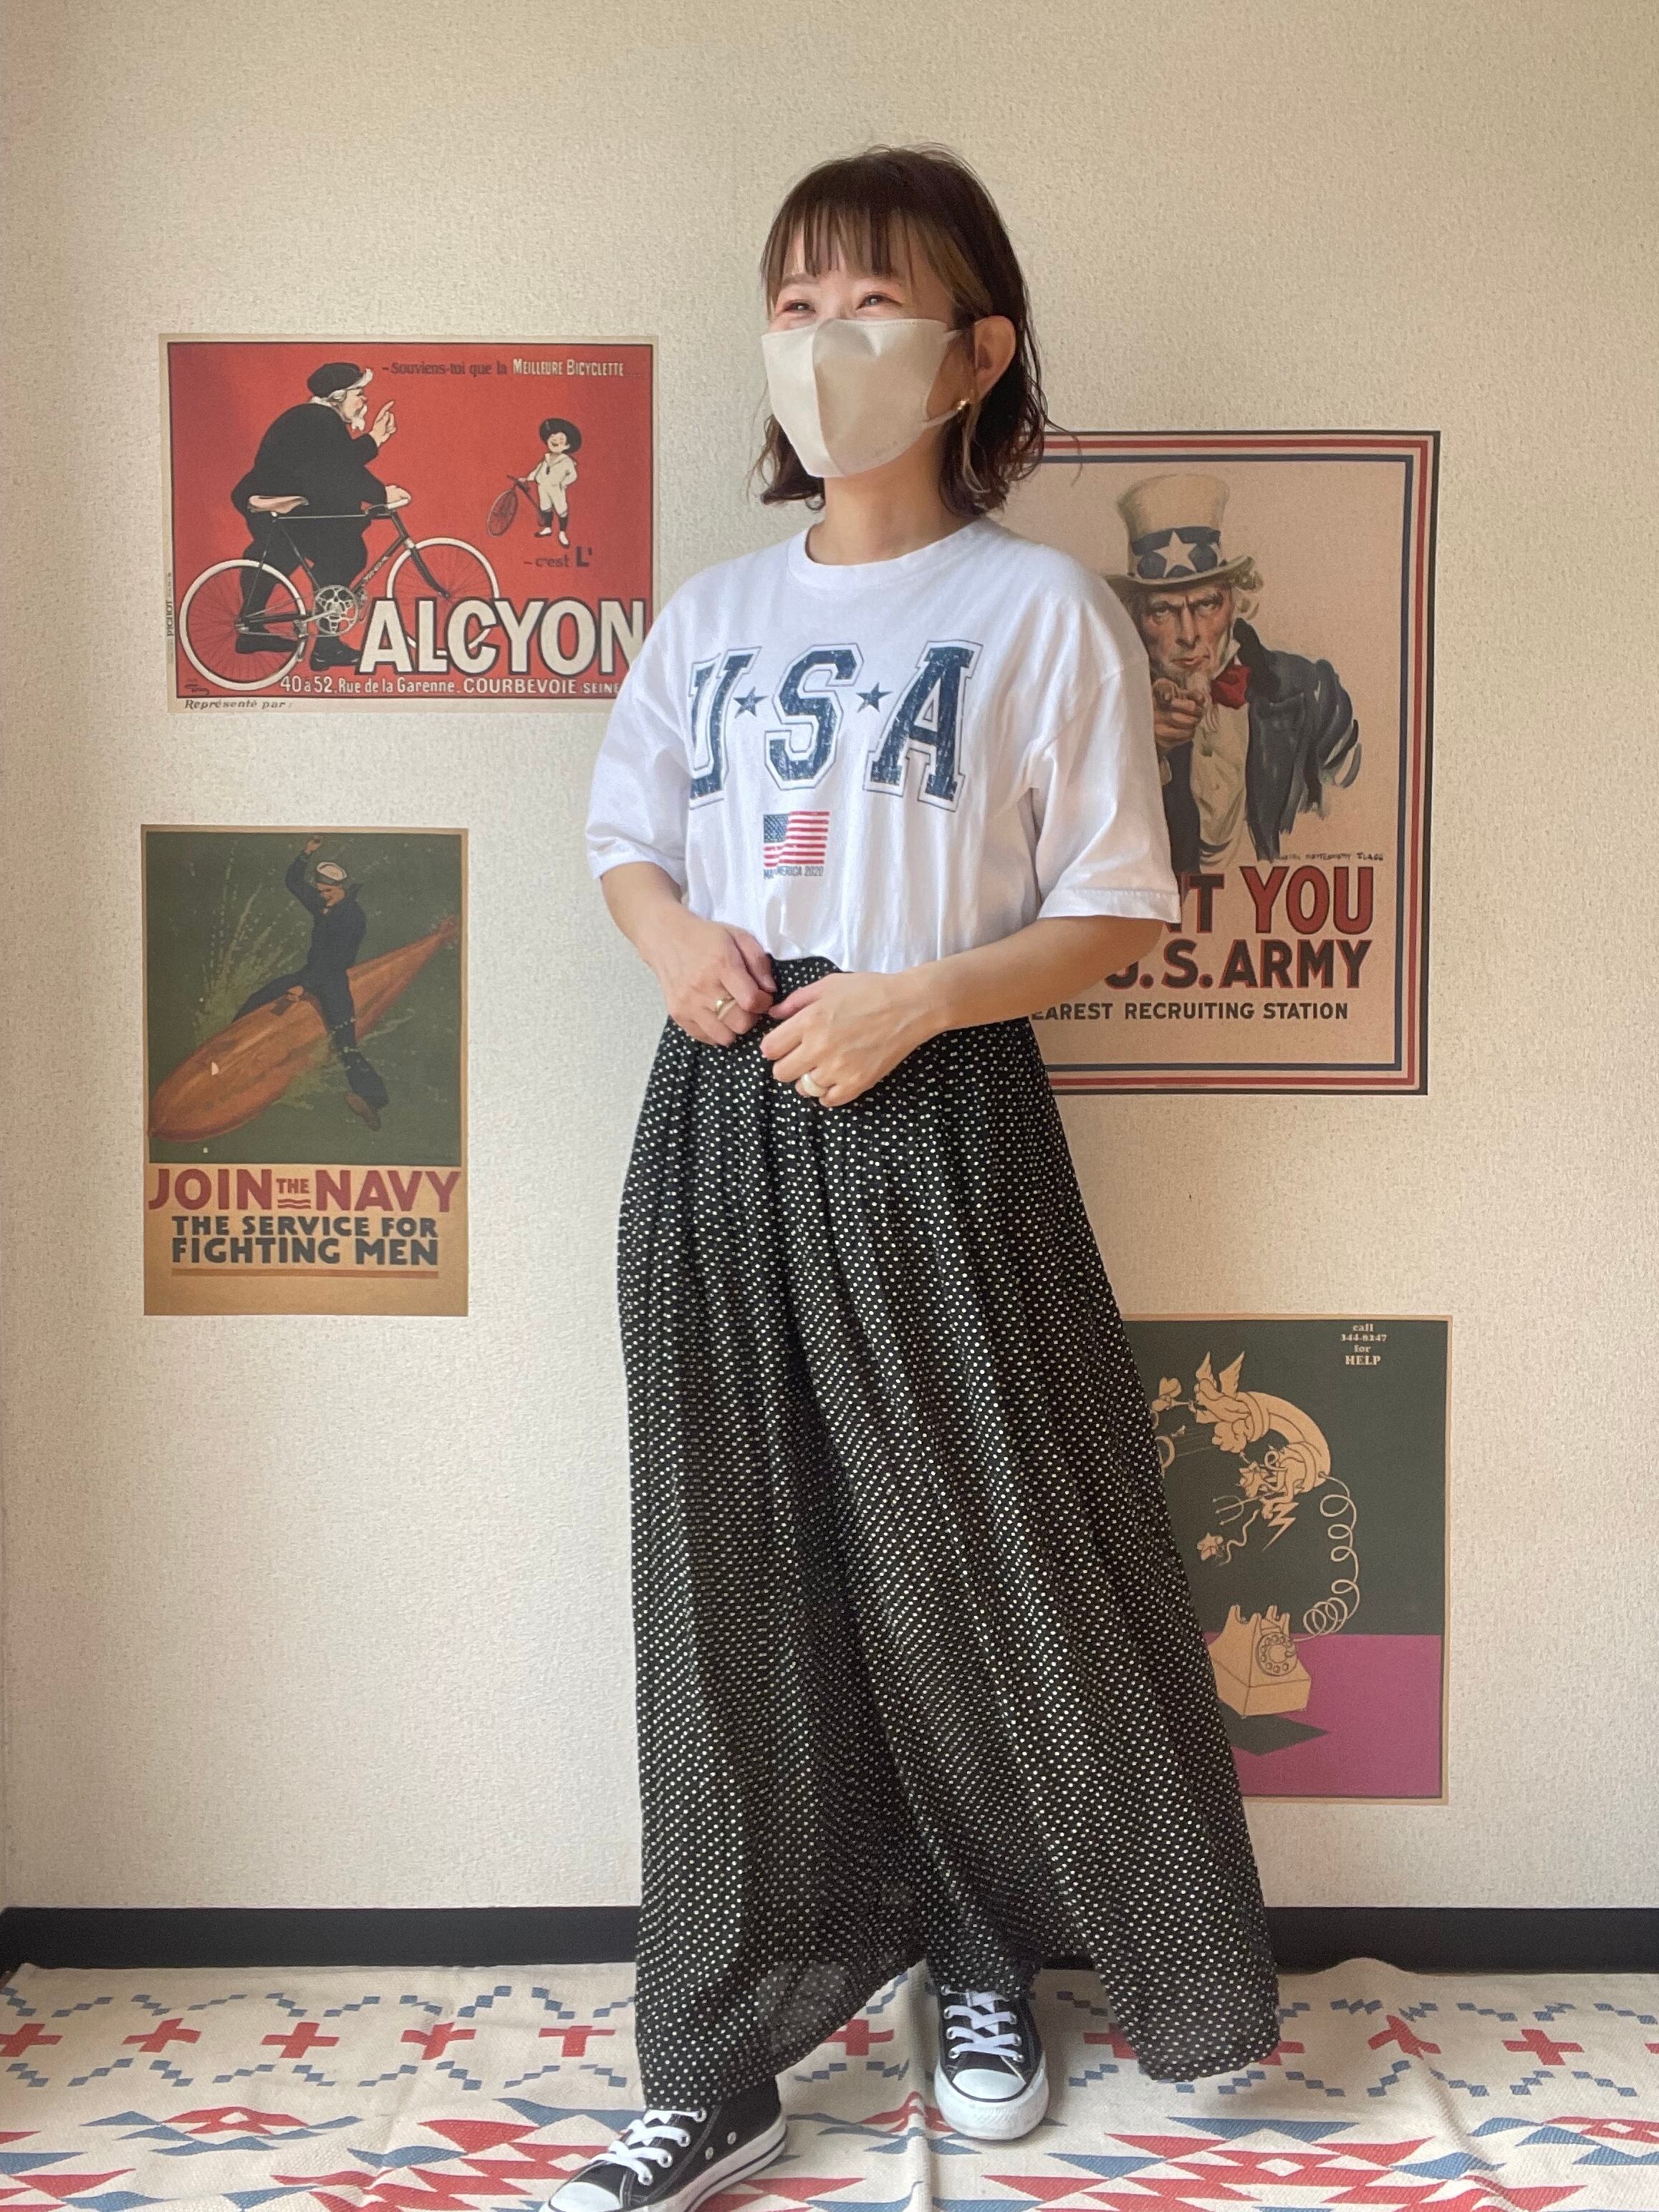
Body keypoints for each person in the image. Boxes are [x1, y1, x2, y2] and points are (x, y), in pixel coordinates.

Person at [557, 145, 1281, 2212]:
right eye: (791, 305)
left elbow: (1114, 902)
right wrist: (671, 945)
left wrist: (920, 1000)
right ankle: (717, 2050)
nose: (822, 343)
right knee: (731, 1574)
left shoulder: (1035, 607)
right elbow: (627, 840)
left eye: (867, 303)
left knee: (979, 1560)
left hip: (935, 1107)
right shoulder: (712, 613)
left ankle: (981, 1958)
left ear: (974, 352)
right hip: (719, 1113)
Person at [1105, 472, 1360, 875]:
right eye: (1163, 611)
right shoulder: (1107, 713)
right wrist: (1143, 746)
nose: (1189, 634)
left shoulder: (1312, 692)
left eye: (1206, 604)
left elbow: (1349, 825)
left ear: (1237, 603)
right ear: (1135, 619)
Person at [229, 362, 411, 673]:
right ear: (338, 396)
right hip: (282, 504)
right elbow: (342, 469)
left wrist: (374, 442)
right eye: (359, 393)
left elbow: (336, 462)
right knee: (346, 554)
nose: (365, 399)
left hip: (273, 502)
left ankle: (252, 631)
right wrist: (381, 494)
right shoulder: (319, 419)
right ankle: (327, 647)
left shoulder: (313, 418)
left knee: (277, 557)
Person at [235, 836, 390, 1131]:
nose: (323, 896)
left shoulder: (354, 918)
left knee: (346, 1044)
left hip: (332, 981)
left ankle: (373, 1100)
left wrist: (304, 986)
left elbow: (335, 960)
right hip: (310, 973)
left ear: (342, 889)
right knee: (259, 998)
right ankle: (231, 1043)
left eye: (329, 892)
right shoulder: (322, 903)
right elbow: (293, 882)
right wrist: (306, 853)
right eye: (320, 891)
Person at [529, 416, 582, 542]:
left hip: (556, 489)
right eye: (553, 437)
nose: (555, 441)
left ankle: (562, 533)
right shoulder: (546, 458)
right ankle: (548, 528)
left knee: (561, 509)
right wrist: (527, 478)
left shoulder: (566, 461)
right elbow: (538, 470)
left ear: (567, 446)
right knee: (545, 507)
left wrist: (563, 483)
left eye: (561, 440)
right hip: (543, 487)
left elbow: (573, 475)